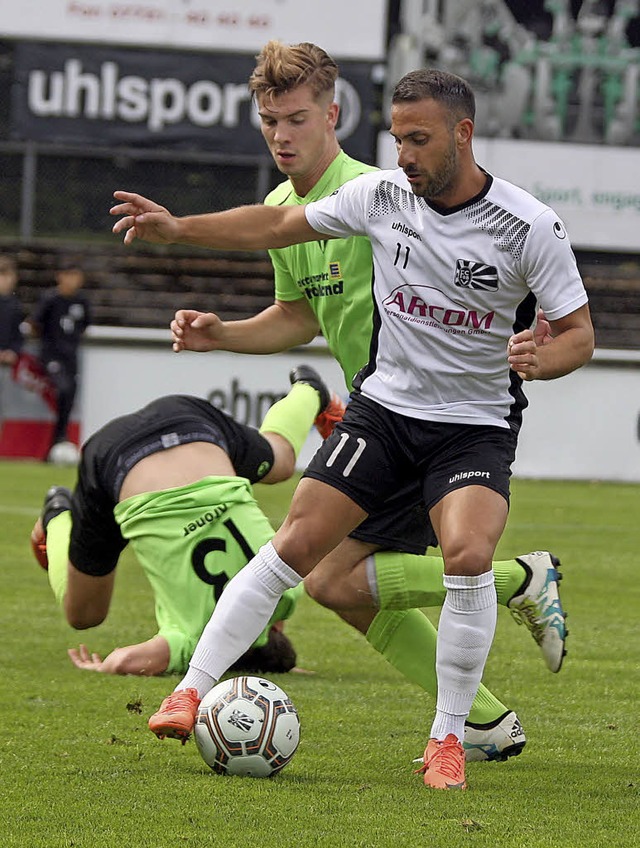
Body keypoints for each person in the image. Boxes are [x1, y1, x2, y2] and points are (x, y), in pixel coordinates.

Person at [111, 66, 594, 790]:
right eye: (398, 139)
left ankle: (449, 741)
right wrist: (180, 229)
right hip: (384, 412)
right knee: (299, 547)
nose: (405, 155)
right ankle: (189, 691)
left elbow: (581, 335)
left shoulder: (529, 225)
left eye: (420, 139)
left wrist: (542, 356)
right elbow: (276, 224)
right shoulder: (379, 196)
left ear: (463, 134)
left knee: (465, 554)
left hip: (472, 426)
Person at [29, 366, 339, 677]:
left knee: (281, 459)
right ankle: (58, 513)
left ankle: (309, 390)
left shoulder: (287, 593)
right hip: (115, 459)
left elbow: (268, 613)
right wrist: (103, 667)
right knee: (83, 615)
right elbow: (124, 662)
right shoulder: (195, 642)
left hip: (188, 419)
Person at [30, 257, 91, 459]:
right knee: (63, 389)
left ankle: (57, 443)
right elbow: (35, 323)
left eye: (77, 276)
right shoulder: (50, 300)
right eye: (69, 276)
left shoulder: (82, 302)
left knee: (69, 396)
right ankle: (56, 440)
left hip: (71, 358)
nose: (73, 280)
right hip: (51, 356)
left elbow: (84, 326)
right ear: (60, 277)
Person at [0, 255, 24, 436]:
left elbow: (18, 336)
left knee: (2, 406)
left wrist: (13, 352)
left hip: (4, 365)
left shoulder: (15, 306)